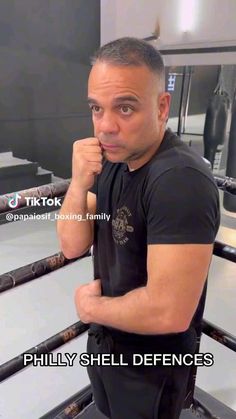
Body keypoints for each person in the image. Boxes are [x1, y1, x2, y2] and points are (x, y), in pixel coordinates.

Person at [57, 37, 220, 419]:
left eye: (125, 108)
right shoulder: (115, 158)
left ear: (162, 107)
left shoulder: (179, 180)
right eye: (97, 109)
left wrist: (91, 307)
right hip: (109, 343)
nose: (106, 126)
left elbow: (169, 311)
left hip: (151, 366)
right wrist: (79, 184)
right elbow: (72, 244)